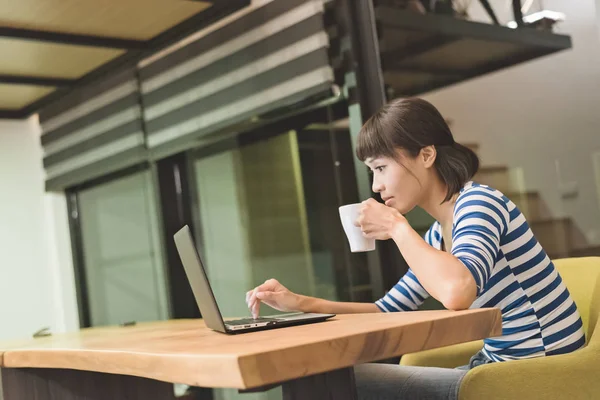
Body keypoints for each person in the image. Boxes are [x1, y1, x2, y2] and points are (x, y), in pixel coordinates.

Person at [245, 97, 586, 399]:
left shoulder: (479, 203)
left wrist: (396, 226)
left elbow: (457, 293)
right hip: (495, 368)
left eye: (381, 168)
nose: (376, 186)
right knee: (327, 380)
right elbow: (388, 310)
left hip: (535, 375)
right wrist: (299, 303)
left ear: (426, 155)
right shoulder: (440, 233)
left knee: (331, 382)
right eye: (371, 172)